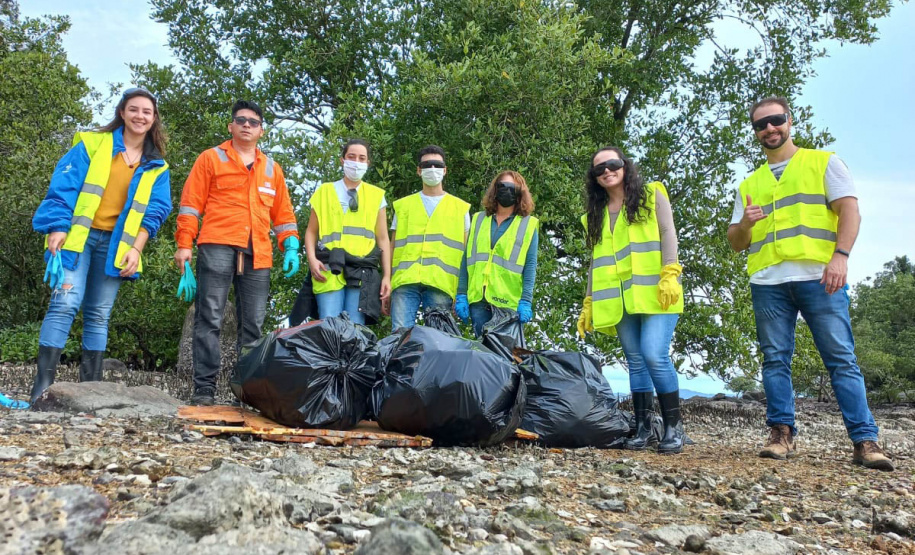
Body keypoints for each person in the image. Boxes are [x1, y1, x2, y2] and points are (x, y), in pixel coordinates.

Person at [727, 96, 893, 471]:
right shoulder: (750, 183)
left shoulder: (824, 163)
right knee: (775, 360)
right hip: (768, 281)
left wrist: (841, 257)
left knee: (841, 360)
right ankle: (781, 436)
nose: (770, 128)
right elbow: (736, 241)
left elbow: (850, 211)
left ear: (789, 120)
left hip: (820, 278)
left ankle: (865, 441)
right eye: (761, 124)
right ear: (755, 132)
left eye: (775, 120)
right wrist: (747, 224)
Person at [30, 87, 172, 403]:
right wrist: (56, 226)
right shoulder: (92, 145)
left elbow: (155, 213)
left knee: (98, 314)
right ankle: (41, 390)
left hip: (116, 247)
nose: (140, 116)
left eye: (147, 112)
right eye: (134, 109)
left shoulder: (157, 167)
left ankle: (90, 393)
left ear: (153, 120)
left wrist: (136, 249)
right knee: (65, 303)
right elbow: (63, 186)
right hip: (78, 238)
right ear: (122, 112)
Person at [174, 100, 299, 406]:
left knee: (254, 326)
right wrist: (183, 245)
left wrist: (291, 244)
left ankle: (246, 392)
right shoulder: (211, 158)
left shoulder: (272, 168)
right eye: (240, 120)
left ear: (261, 131)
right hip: (217, 244)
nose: (246, 125)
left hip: (258, 251)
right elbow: (191, 205)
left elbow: (283, 215)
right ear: (231, 126)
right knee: (210, 318)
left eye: (253, 122)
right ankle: (204, 390)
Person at [576, 147, 685, 454]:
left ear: (624, 165)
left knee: (654, 354)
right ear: (594, 178)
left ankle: (673, 429)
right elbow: (595, 262)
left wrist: (670, 272)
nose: (607, 171)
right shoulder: (594, 216)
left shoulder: (651, 195)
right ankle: (643, 429)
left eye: (612, 164)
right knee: (636, 362)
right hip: (619, 298)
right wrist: (589, 301)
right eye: (599, 169)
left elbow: (667, 232)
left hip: (657, 291)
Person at [304, 139, 391, 325]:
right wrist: (311, 259)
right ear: (342, 160)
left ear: (368, 163)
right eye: (351, 157)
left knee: (355, 331)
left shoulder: (376, 196)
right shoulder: (324, 191)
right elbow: (311, 232)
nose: (356, 162)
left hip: (362, 270)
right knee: (329, 327)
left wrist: (386, 276)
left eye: (362, 158)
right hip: (328, 267)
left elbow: (383, 239)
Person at [388, 145, 470, 330]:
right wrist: (387, 280)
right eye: (427, 165)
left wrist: (462, 292)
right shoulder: (404, 206)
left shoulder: (460, 208)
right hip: (405, 280)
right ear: (419, 170)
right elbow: (392, 247)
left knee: (439, 341)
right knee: (400, 338)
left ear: (445, 170)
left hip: (441, 283)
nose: (432, 169)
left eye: (437, 165)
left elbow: (466, 254)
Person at [455, 171, 538, 337]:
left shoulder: (528, 224)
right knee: (483, 355)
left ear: (520, 193)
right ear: (495, 190)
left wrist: (526, 301)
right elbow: (466, 260)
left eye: (512, 188)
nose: (507, 191)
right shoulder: (478, 220)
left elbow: (530, 266)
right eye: (502, 186)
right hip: (478, 300)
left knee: (505, 357)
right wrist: (461, 294)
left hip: (507, 302)